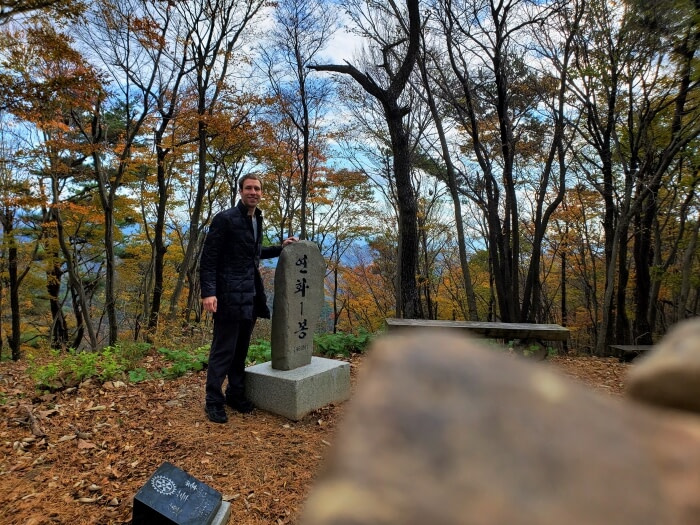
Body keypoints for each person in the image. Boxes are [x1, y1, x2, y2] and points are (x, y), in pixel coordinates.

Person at [200, 173, 297, 424]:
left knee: (241, 349)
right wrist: (208, 292)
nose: (253, 192)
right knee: (223, 349)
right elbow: (209, 257)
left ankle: (235, 393)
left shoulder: (256, 218)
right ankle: (213, 401)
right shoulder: (225, 219)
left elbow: (253, 253)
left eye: (257, 189)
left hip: (251, 295)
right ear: (240, 191)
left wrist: (280, 247)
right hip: (228, 295)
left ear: (261, 193)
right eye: (248, 188)